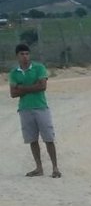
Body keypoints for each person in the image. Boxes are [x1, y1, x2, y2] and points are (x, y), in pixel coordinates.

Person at [9, 43, 61, 178]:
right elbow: (13, 93)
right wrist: (32, 86)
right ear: (17, 56)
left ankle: (55, 167)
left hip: (40, 107)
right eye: (22, 54)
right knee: (32, 139)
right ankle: (39, 167)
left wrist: (22, 87)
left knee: (48, 138)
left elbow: (42, 87)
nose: (25, 56)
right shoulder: (14, 72)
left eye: (27, 54)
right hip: (25, 108)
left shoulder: (39, 67)